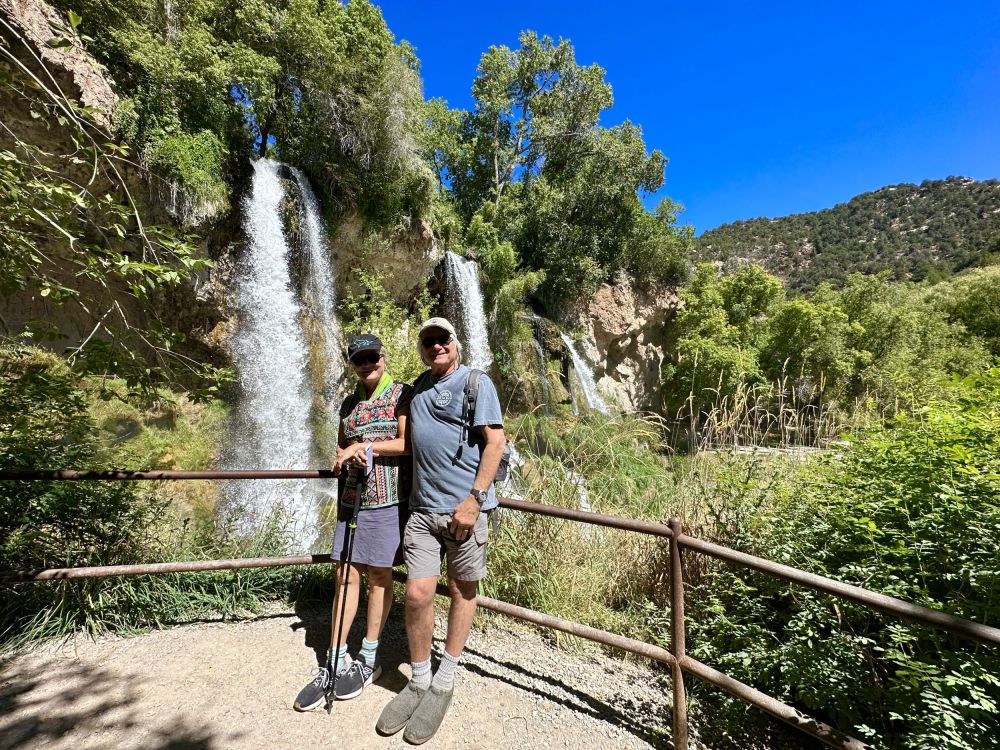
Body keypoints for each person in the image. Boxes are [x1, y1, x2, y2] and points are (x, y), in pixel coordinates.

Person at [376, 317, 506, 744]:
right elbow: (404, 439)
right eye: (428, 341)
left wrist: (474, 500)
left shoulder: (475, 383)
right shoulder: (417, 388)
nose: (436, 346)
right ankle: (419, 679)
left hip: (464, 512)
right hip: (422, 512)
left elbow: (496, 442)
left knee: (462, 590)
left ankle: (444, 678)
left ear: (455, 343)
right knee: (417, 593)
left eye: (442, 339)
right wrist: (362, 445)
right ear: (422, 349)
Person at [293, 333, 412, 711]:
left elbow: (407, 443)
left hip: (387, 502)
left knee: (379, 578)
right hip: (351, 501)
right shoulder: (349, 403)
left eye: (372, 357)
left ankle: (369, 658)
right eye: (359, 360)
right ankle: (335, 658)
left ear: (383, 357)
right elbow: (341, 444)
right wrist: (344, 455)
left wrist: (366, 447)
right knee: (345, 575)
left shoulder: (402, 395)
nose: (367, 365)